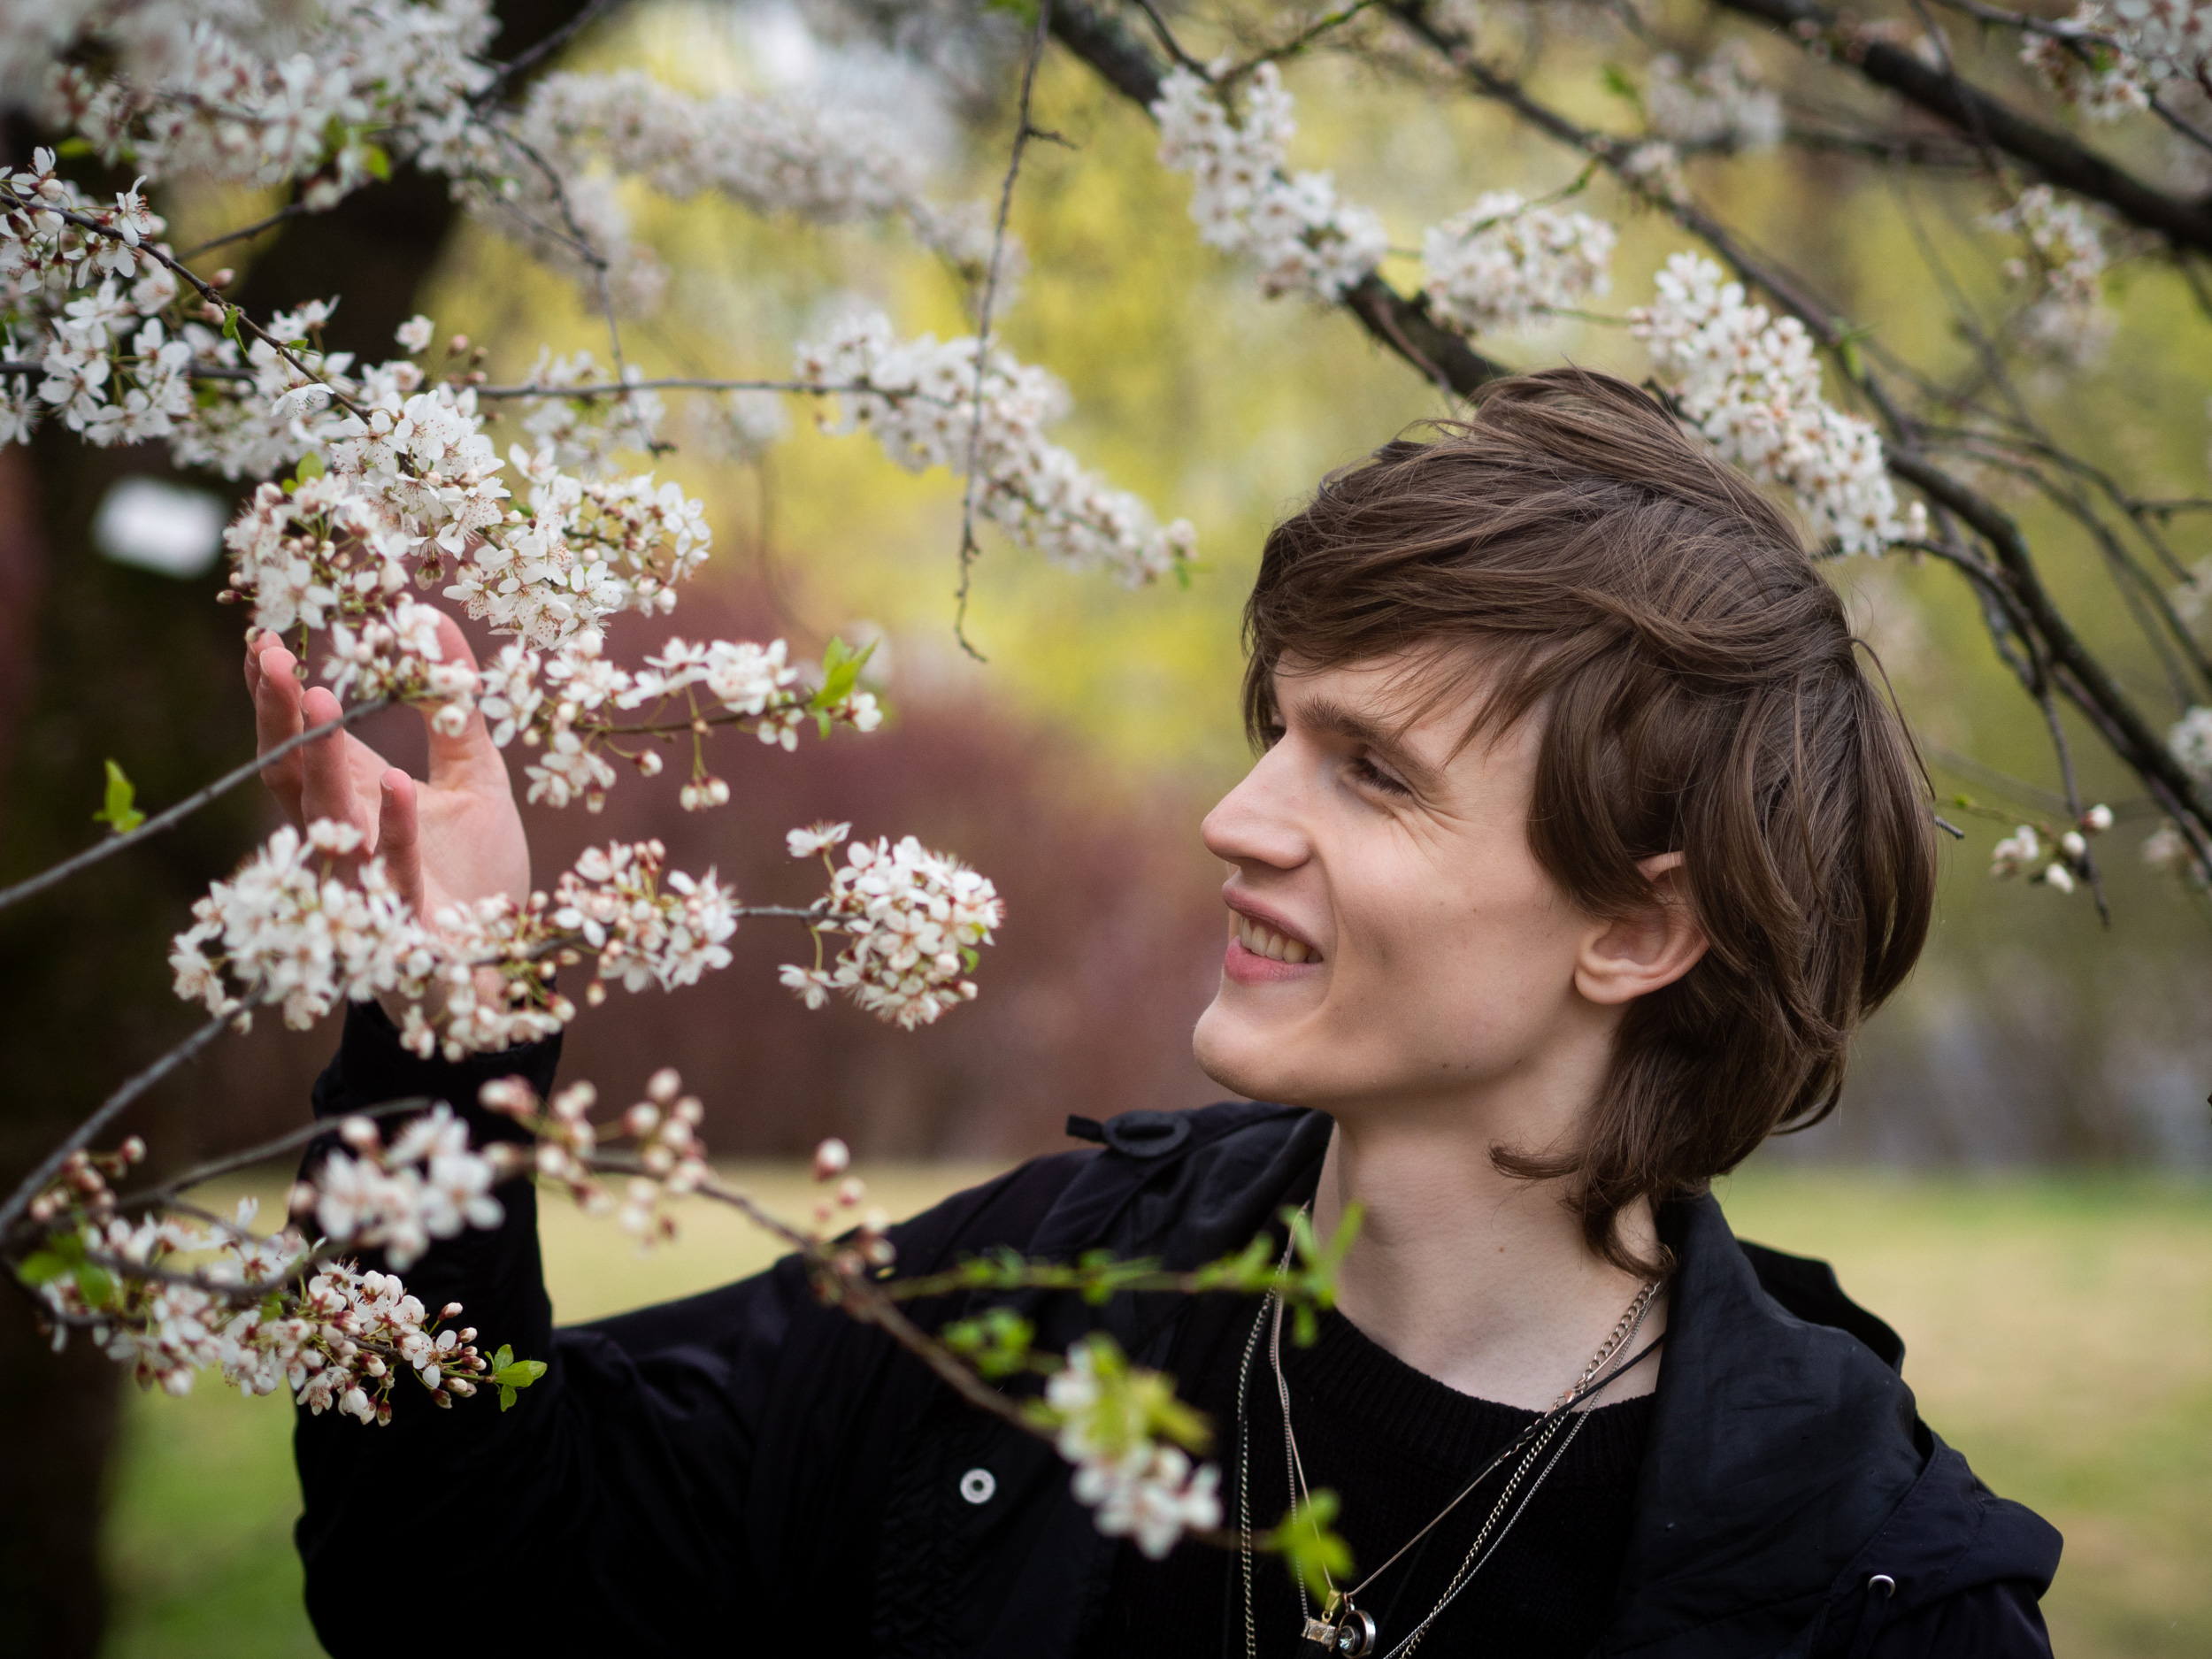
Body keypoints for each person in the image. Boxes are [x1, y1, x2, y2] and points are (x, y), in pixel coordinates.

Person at [250, 369, 2059, 1658]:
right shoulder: (1034, 1295)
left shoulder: (1873, 1582)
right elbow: (470, 1582)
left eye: (1369, 768)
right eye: (1275, 724)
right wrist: (444, 1036)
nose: (1237, 813)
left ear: (1633, 925)